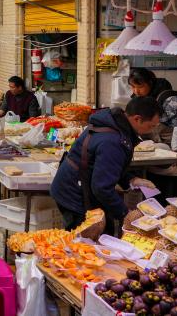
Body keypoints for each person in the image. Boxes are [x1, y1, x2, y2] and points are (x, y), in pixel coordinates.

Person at [50, 95, 161, 236]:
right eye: (151, 126)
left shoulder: (114, 124)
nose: (152, 130)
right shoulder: (113, 141)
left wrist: (131, 179)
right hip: (74, 192)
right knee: (85, 240)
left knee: (101, 230)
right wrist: (126, 214)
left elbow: (106, 165)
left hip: (75, 183)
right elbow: (102, 188)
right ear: (137, 119)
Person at [127, 68, 177, 154]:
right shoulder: (138, 100)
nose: (136, 91)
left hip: (171, 146)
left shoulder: (170, 99)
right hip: (151, 145)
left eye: (140, 87)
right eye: (133, 87)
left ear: (150, 83)